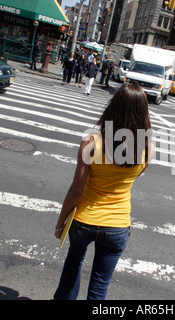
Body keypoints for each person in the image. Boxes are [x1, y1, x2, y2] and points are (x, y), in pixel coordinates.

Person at [53, 82, 154, 300]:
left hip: (84, 220)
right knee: (99, 286)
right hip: (117, 225)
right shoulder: (147, 148)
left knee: (73, 266)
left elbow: (76, 190)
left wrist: (61, 223)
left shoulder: (91, 142)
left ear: (113, 106)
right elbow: (132, 176)